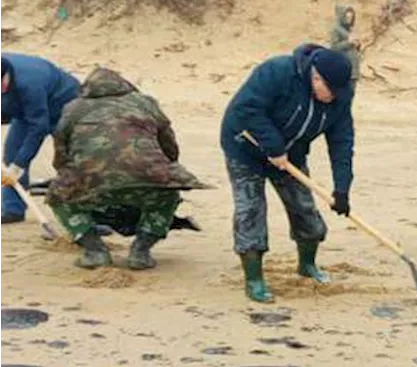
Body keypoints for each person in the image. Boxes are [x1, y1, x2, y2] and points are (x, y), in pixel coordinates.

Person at [221, 44, 356, 303]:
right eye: (330, 91)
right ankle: (254, 279)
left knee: (304, 209)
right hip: (244, 146)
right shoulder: (278, 72)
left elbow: (342, 143)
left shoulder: (339, 98)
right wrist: (273, 146)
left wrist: (342, 189)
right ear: (316, 77)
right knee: (250, 210)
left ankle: (307, 265)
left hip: (291, 156)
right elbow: (246, 108)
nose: (334, 97)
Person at [39, 68, 208, 270]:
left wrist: (68, 179)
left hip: (92, 183)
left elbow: (61, 152)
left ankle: (95, 251)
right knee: (167, 197)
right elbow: (169, 146)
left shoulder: (73, 108)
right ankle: (141, 251)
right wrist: (166, 171)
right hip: (146, 179)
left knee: (59, 200)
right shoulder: (145, 103)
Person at [0, 54, 81, 224]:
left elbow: (38, 127)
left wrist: (19, 165)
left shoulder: (28, 84)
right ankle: (13, 209)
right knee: (12, 153)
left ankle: (90, 216)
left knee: (74, 159)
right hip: (26, 109)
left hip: (65, 105)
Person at [329, 4, 362, 88]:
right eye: (347, 17)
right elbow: (334, 47)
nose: (349, 20)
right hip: (343, 68)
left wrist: (357, 44)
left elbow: (355, 48)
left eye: (351, 18)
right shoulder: (336, 29)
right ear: (342, 16)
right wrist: (348, 42)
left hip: (353, 69)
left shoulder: (351, 29)